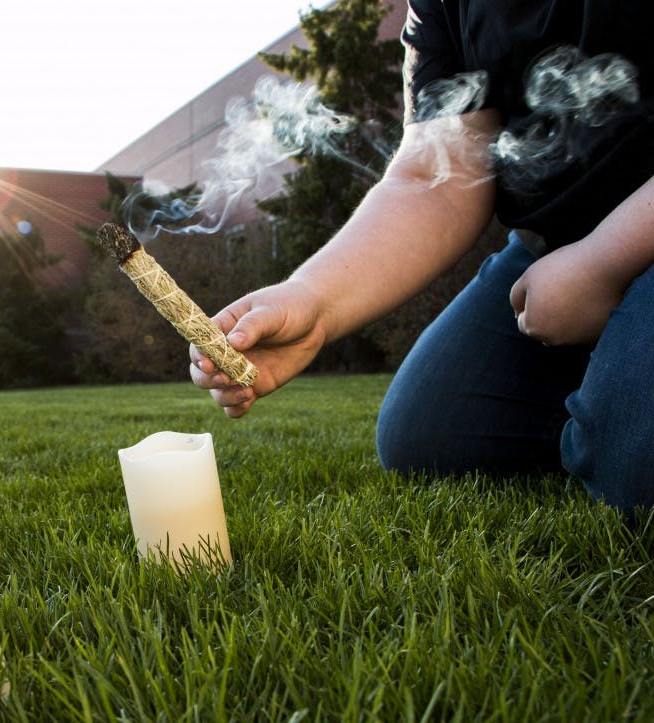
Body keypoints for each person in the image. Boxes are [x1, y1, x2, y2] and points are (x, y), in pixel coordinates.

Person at [189, 0, 654, 515]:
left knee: (633, 470)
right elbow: (436, 176)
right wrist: (313, 300)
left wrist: (606, 261)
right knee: (432, 435)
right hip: (553, 252)